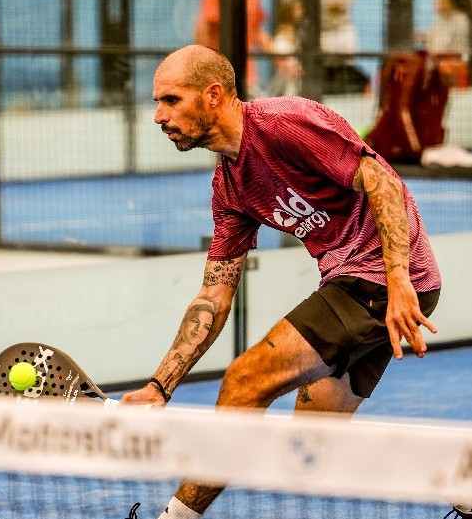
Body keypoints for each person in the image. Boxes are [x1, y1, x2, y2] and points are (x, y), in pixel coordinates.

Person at [121, 45, 441, 519]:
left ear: (213, 95)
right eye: (157, 103)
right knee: (310, 449)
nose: (159, 117)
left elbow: (383, 181)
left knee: (245, 381)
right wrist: (160, 386)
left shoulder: (286, 123)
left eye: (171, 100)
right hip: (359, 282)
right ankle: (462, 483)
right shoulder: (229, 187)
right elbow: (214, 295)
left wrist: (398, 282)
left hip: (383, 278)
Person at [279, 0, 369, 94]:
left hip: (338, 30)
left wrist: (338, 5)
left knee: (344, 74)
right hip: (309, 33)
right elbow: (289, 7)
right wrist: (305, 12)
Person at [194, 0, 272, 98]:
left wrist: (282, 59)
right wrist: (202, 66)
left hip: (247, 76)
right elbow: (204, 27)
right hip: (218, 75)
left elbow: (256, 31)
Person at [418, 0, 471, 88]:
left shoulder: (460, 20)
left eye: (442, 0)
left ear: (452, 2)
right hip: (436, 59)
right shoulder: (439, 20)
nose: (437, 3)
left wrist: (430, 48)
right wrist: (423, 38)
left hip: (452, 60)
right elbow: (431, 38)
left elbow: (443, 45)